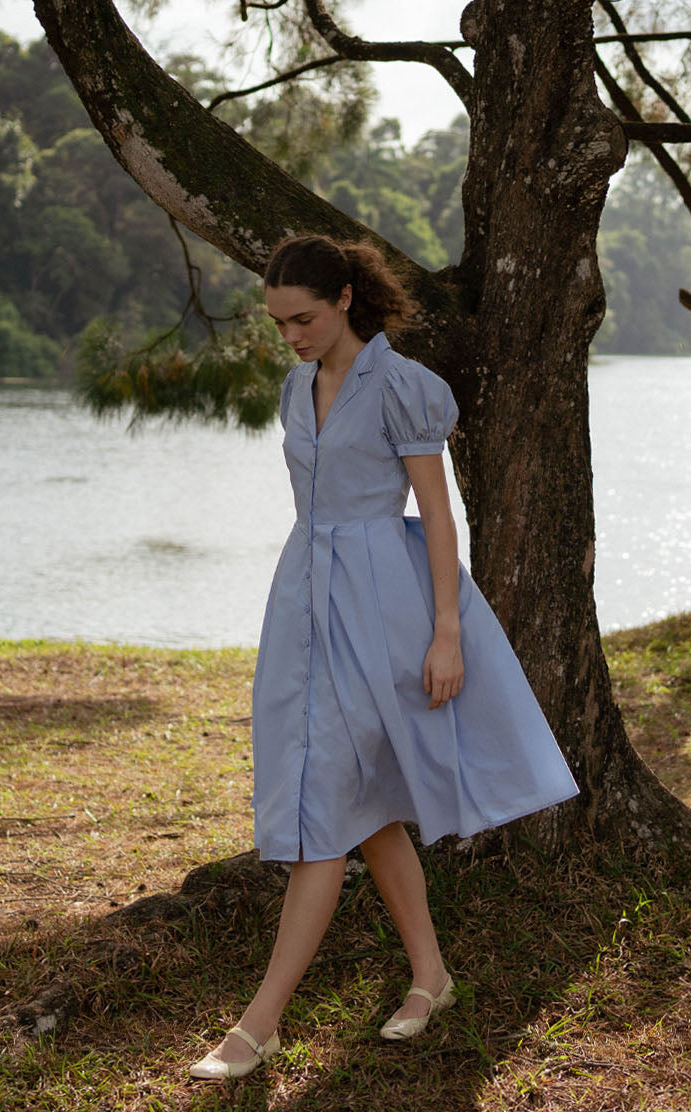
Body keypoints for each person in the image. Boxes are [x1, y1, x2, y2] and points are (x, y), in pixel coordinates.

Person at [189, 233, 578, 1081]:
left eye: (303, 318)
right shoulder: (298, 387)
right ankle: (432, 977)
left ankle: (258, 1026)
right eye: (279, 323)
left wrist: (446, 630)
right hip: (306, 600)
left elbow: (437, 516)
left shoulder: (401, 387)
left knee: (327, 806)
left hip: (388, 605)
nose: (291, 336)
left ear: (345, 301)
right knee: (360, 804)